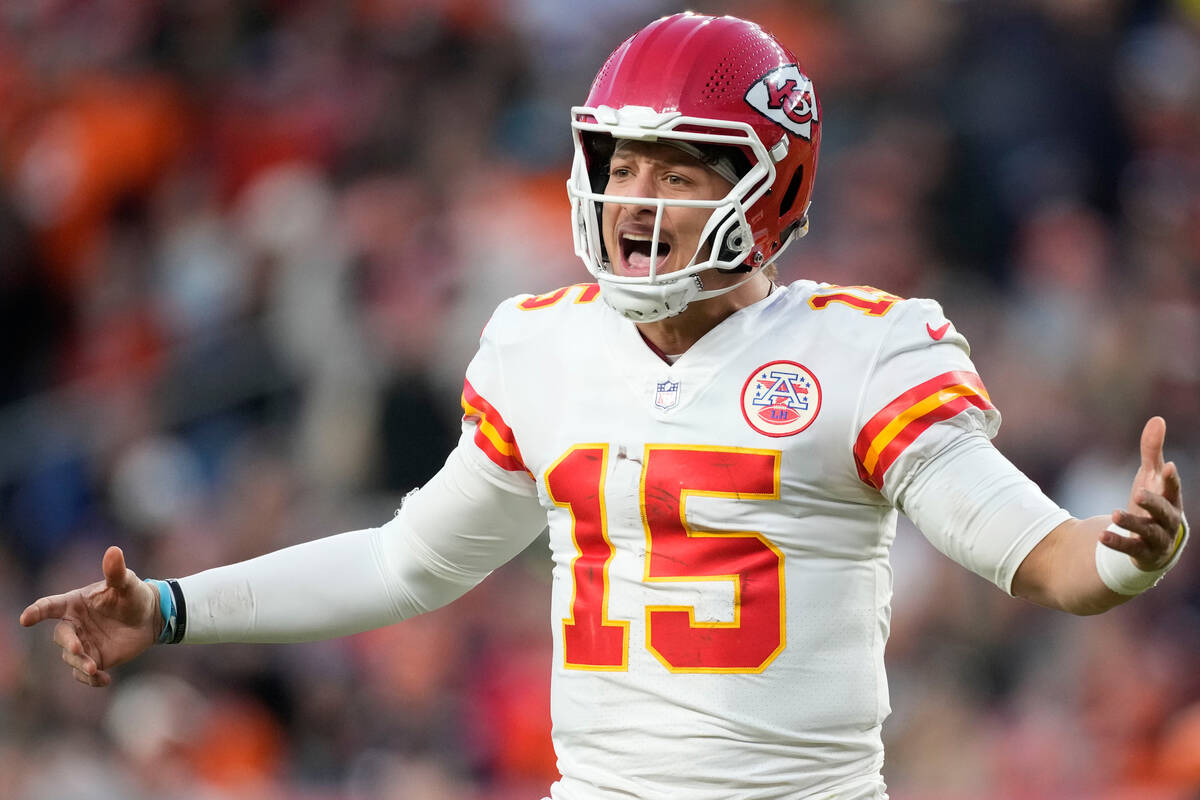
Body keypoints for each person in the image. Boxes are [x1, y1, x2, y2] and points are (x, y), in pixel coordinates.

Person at [19, 12, 1188, 800]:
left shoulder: (867, 348)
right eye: (622, 163)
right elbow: (407, 562)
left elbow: (1034, 554)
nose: (639, 198)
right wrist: (174, 606)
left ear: (769, 186)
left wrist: (1124, 556)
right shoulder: (544, 343)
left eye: (681, 170)